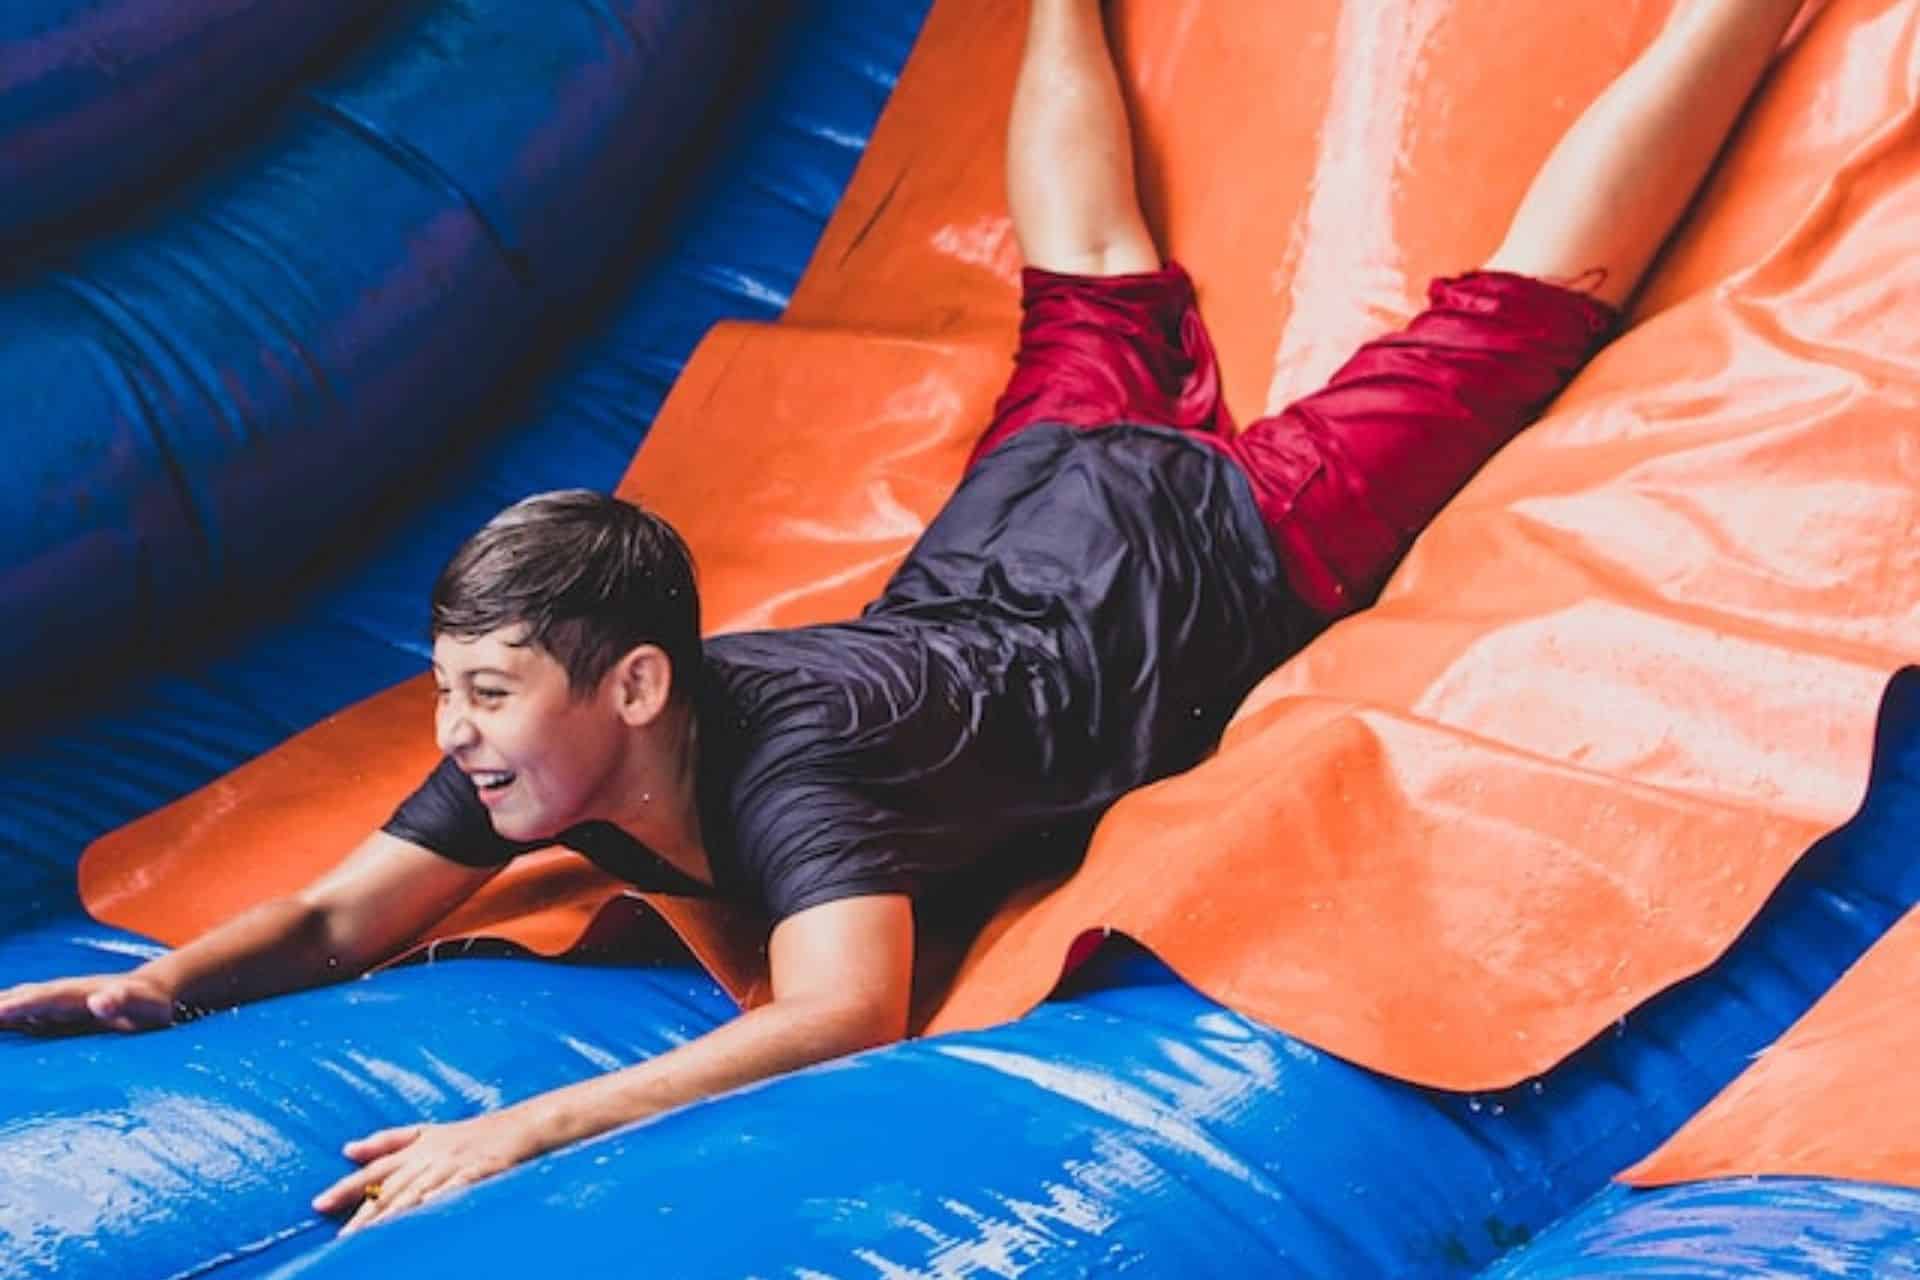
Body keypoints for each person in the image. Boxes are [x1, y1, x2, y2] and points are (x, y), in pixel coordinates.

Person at [0, 0, 1804, 1234]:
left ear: (635, 685)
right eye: (457, 695)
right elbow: (342, 913)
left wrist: (516, 1128)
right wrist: (156, 993)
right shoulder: (554, 753)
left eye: (484, 695)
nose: (457, 736)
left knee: (1510, 318)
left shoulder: (796, 782)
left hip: (1201, 565)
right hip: (1008, 539)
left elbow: (842, 1013)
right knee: (1084, 278)